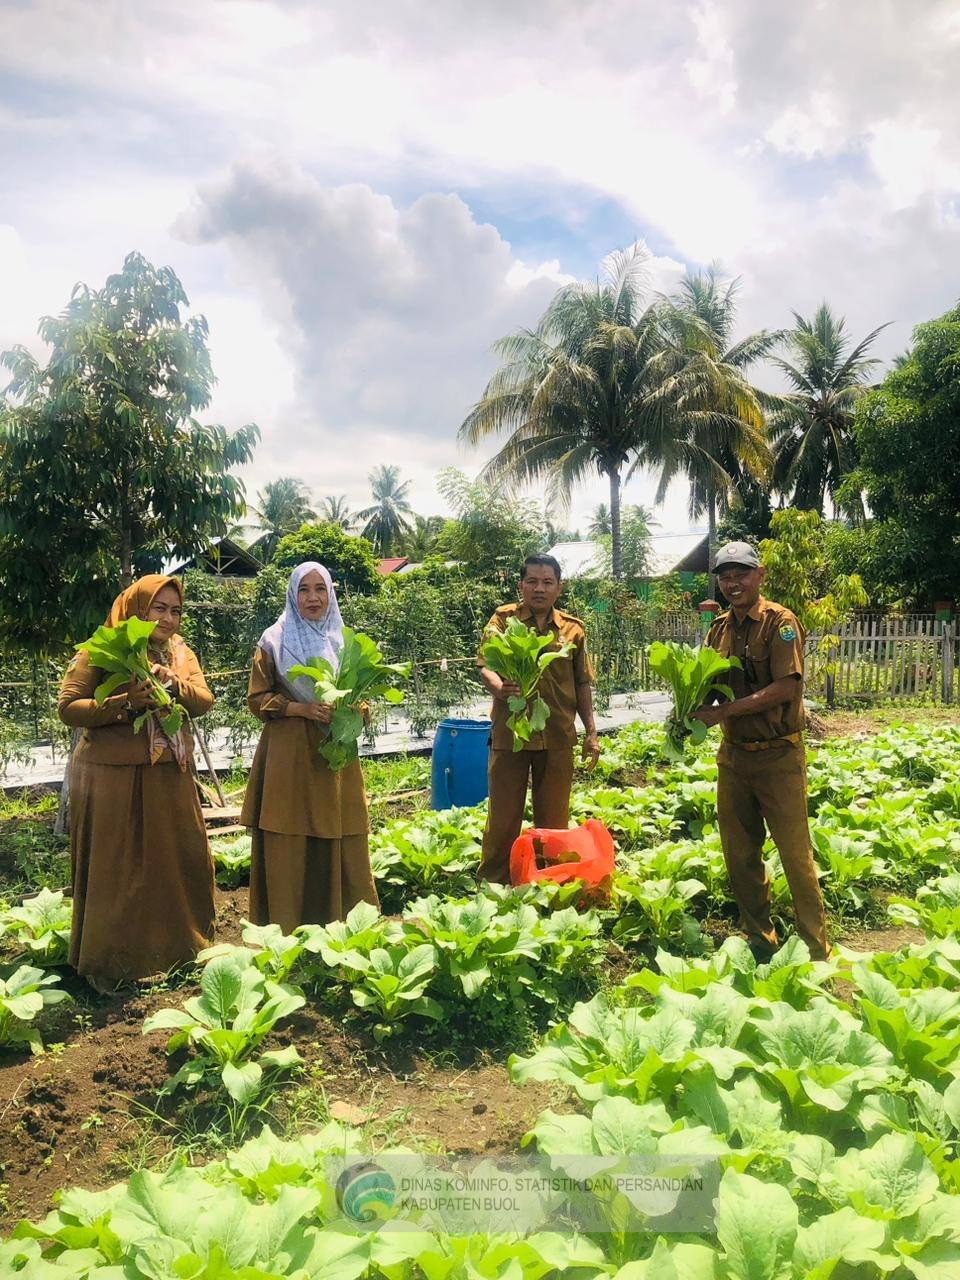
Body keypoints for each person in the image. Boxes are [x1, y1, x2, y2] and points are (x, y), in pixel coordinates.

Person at [58, 574, 216, 992]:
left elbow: (203, 700)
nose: (168, 618)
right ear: (136, 608)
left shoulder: (180, 652)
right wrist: (125, 702)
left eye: (176, 610)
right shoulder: (102, 647)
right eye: (158, 608)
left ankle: (179, 949)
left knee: (174, 860)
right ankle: (111, 964)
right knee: (117, 868)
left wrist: (170, 682)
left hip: (168, 772)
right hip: (113, 776)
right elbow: (69, 707)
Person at [692, 541, 830, 961]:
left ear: (759, 575)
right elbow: (710, 685)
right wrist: (689, 709)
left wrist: (726, 710)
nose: (732, 583)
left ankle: (816, 949)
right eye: (725, 575)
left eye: (741, 574)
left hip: (778, 757)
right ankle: (760, 940)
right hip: (733, 757)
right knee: (739, 854)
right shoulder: (718, 629)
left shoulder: (781, 623)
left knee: (795, 854)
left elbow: (788, 686)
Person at [241, 561, 378, 932]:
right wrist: (301, 708)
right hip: (289, 752)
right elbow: (256, 699)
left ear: (331, 593)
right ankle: (286, 923)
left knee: (340, 824)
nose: (313, 597)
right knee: (290, 827)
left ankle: (343, 920)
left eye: (321, 589)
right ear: (292, 594)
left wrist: (355, 709)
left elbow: (362, 694)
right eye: (304, 589)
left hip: (335, 753)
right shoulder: (274, 640)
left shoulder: (344, 639)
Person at [477, 554, 600, 884]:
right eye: (532, 581)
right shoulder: (503, 621)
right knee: (503, 817)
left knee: (554, 820)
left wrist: (591, 732)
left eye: (547, 582)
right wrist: (500, 687)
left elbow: (583, 682)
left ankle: (547, 880)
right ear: (521, 585)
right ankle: (494, 882)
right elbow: (485, 665)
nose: (539, 588)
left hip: (558, 734)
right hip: (511, 733)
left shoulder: (573, 629)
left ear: (559, 587)